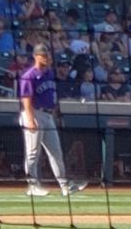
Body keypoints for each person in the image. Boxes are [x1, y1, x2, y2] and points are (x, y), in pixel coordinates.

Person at [17, 40, 83, 199]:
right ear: (36, 57)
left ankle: (65, 186)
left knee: (56, 152)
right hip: (33, 113)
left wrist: (54, 115)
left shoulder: (50, 73)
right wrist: (31, 119)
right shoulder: (29, 75)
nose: (46, 57)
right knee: (33, 153)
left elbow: (51, 97)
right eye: (43, 55)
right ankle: (32, 186)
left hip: (48, 115)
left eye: (47, 55)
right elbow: (26, 98)